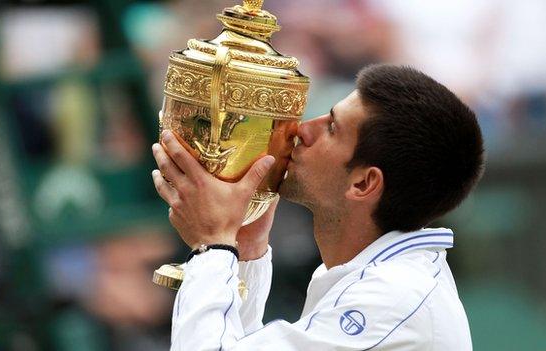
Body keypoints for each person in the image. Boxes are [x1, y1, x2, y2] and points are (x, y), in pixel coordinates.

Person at [151, 64, 484, 350]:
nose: (301, 129)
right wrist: (246, 250)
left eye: (331, 127)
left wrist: (212, 244)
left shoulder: (394, 298)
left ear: (363, 184)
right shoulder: (375, 278)